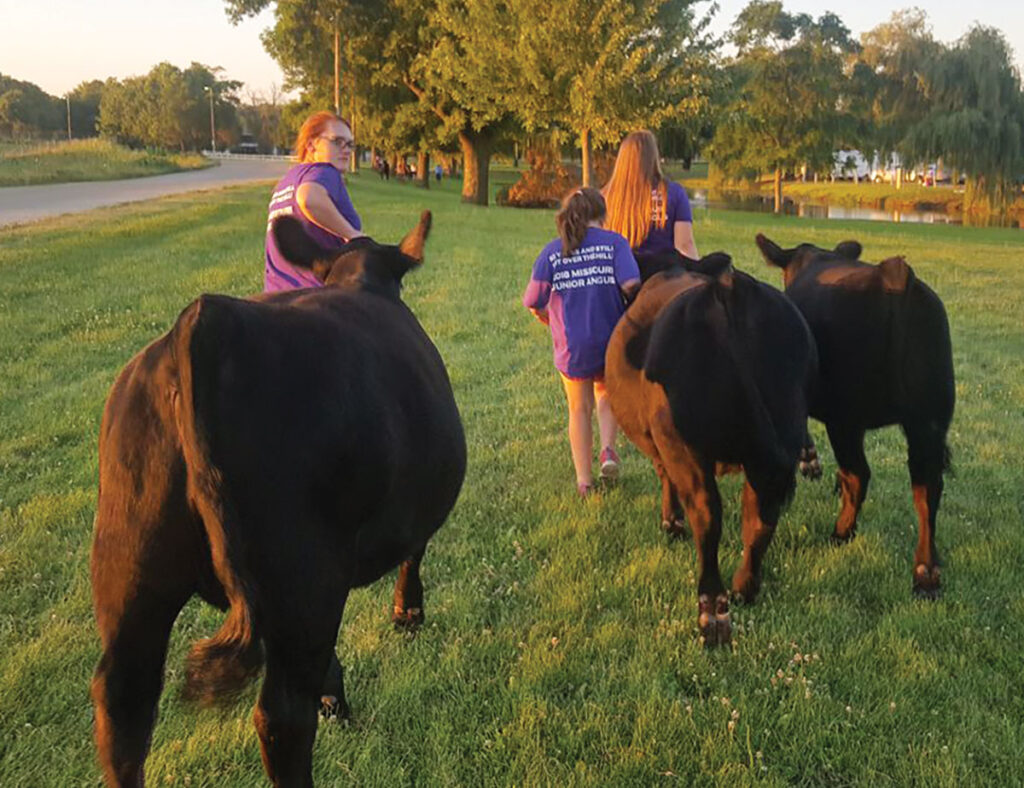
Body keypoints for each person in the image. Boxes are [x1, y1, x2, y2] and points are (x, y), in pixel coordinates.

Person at [523, 187, 641, 498]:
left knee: (578, 408)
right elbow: (631, 284)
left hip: (572, 346)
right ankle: (607, 450)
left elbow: (533, 299)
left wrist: (546, 315)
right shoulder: (615, 243)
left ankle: (584, 482)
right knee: (606, 395)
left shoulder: (552, 251)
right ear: (602, 215)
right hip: (611, 342)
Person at [264, 111, 363, 292]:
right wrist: (354, 235)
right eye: (337, 141)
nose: (346, 149)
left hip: (275, 298)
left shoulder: (286, 182)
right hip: (317, 299)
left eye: (350, 144)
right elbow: (309, 199)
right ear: (311, 145)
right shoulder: (325, 171)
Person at [603, 129, 698, 258]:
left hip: (621, 273)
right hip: (665, 273)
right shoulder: (674, 193)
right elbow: (685, 245)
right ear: (654, 157)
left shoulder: (605, 197)